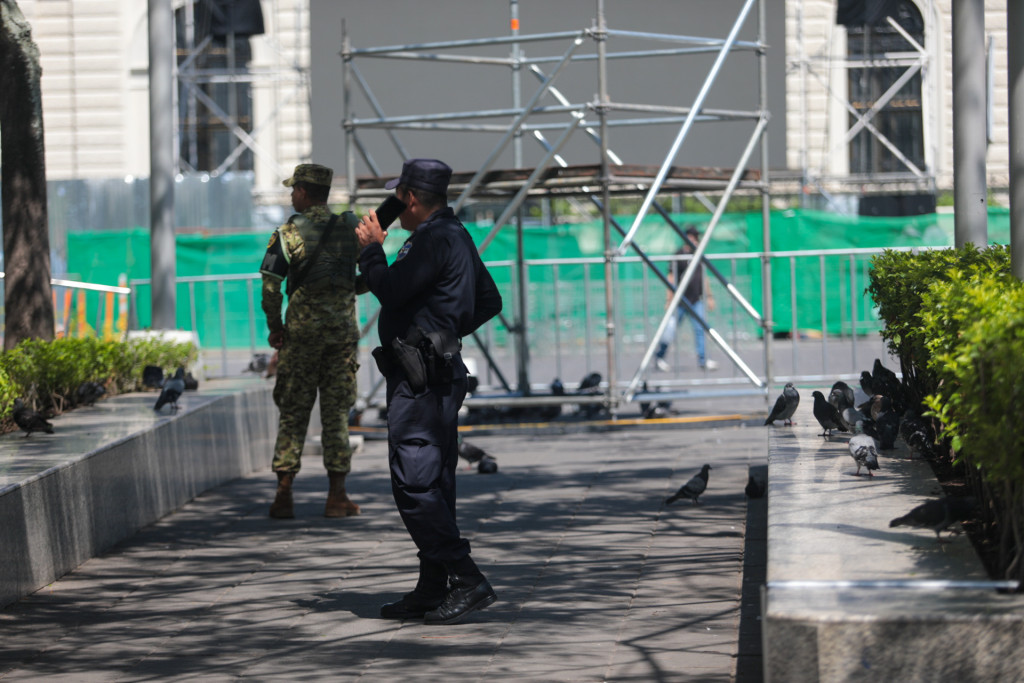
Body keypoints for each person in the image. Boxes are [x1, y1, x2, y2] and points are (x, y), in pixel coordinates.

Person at [355, 158, 502, 625]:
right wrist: (444, 331)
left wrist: (373, 250)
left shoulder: (434, 238)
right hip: (436, 373)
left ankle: (465, 577)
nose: (395, 205)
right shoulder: (453, 234)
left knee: (415, 483)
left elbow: (392, 291)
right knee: (434, 481)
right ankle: (433, 584)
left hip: (422, 380)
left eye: (399, 196)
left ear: (411, 199)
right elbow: (489, 300)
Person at [259, 163, 362, 519]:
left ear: (304, 191)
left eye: (293, 190)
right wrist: (348, 287)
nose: (291, 196)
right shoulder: (351, 228)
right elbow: (373, 273)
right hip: (341, 340)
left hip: (300, 338)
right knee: (336, 415)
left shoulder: (288, 233)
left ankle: (283, 496)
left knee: (293, 412)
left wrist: (275, 327)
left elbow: (271, 286)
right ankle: (337, 497)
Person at [654, 225, 718, 372]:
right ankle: (659, 357)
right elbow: (670, 277)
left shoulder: (699, 254)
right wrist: (669, 299)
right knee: (670, 329)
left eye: (695, 237)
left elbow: (704, 277)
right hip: (680, 300)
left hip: (696, 299)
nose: (693, 239)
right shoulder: (678, 254)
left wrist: (709, 296)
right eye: (691, 236)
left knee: (700, 329)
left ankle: (703, 360)